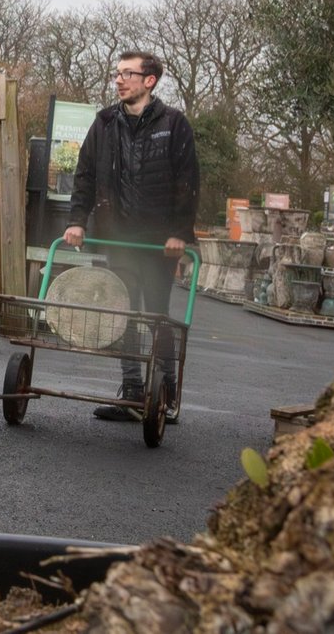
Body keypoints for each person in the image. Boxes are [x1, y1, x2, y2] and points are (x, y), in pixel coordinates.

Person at [63, 51, 200, 422]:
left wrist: (179, 233)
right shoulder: (105, 123)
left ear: (149, 80)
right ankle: (133, 393)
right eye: (118, 74)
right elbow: (85, 176)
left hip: (158, 243)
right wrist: (78, 220)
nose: (119, 80)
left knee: (157, 317)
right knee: (122, 313)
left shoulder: (173, 124)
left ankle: (165, 396)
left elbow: (187, 182)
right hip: (119, 237)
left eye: (128, 74)